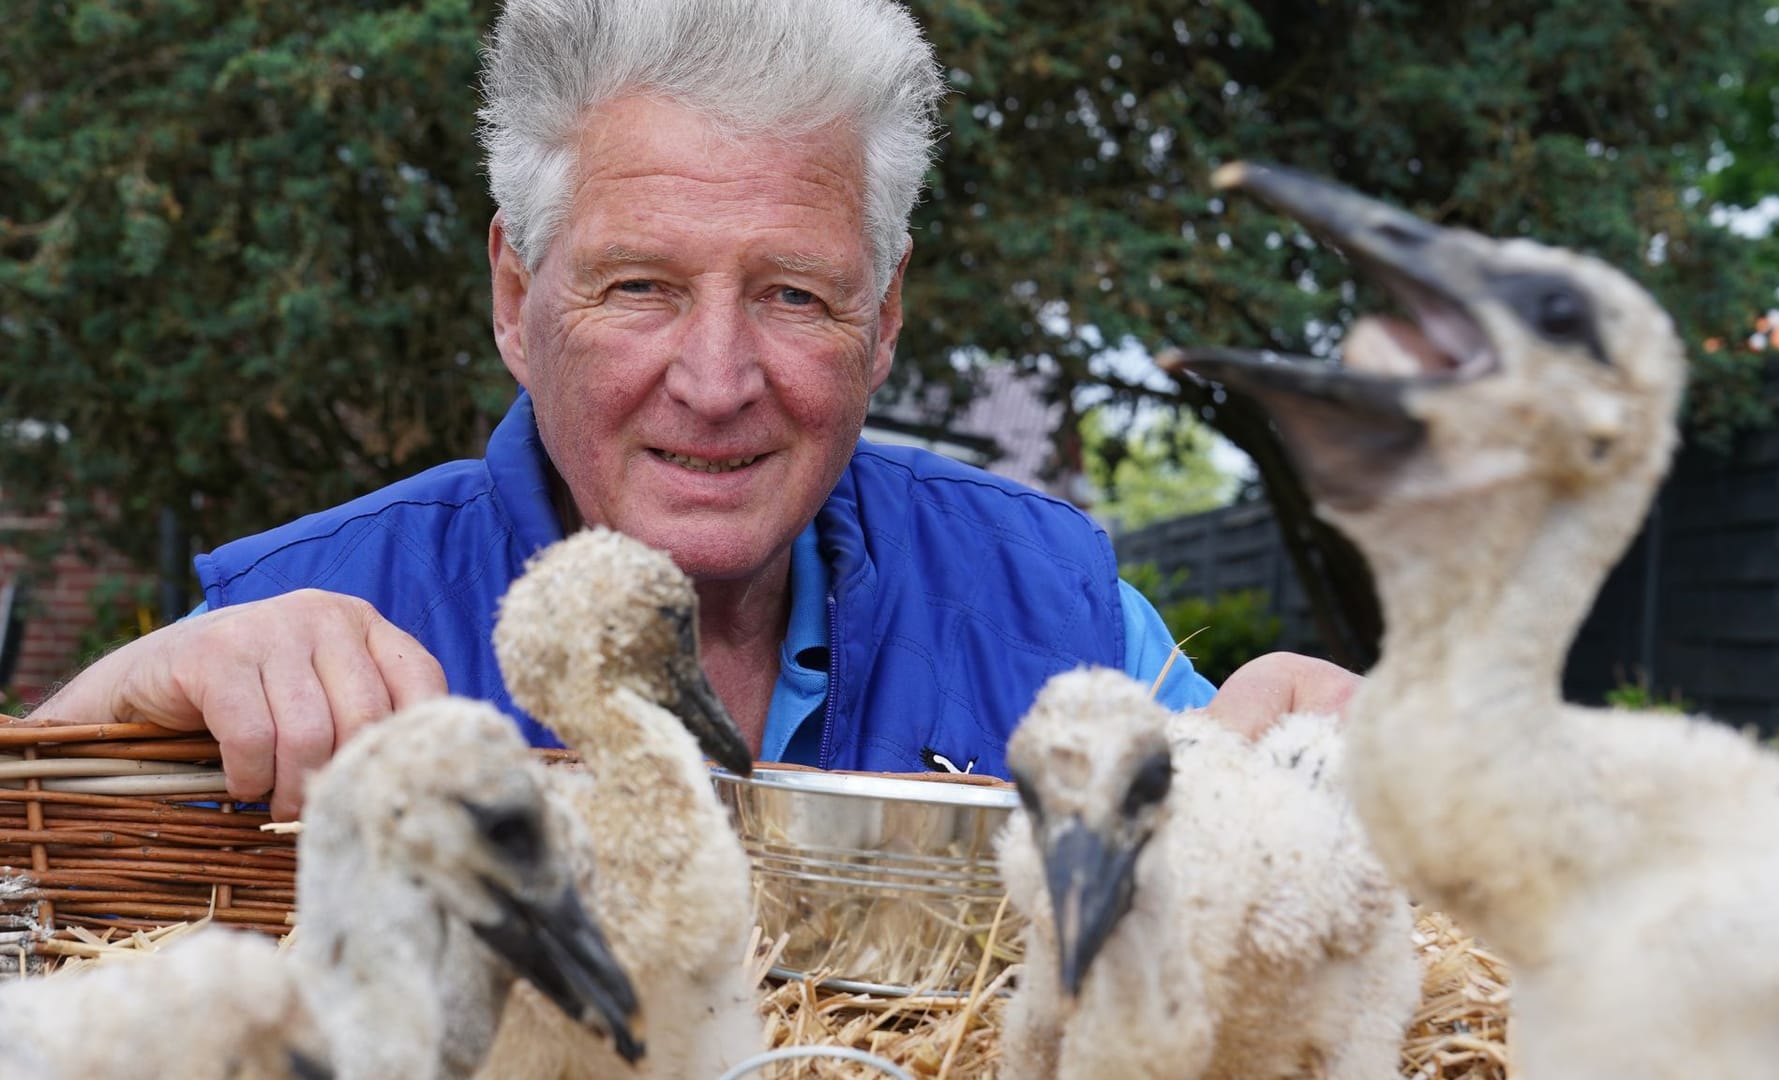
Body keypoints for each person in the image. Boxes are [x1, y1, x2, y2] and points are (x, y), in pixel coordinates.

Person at [26, 0, 1358, 819]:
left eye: (792, 295)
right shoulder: (325, 602)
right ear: (515, 294)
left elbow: (1281, 825)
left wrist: (1326, 751)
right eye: (641, 286)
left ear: (883, 316)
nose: (716, 382)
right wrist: (114, 703)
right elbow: (43, 878)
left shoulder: (1047, 605)